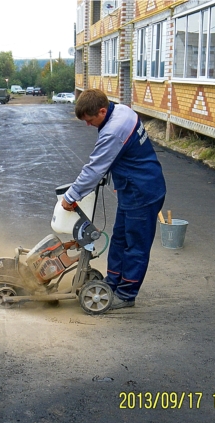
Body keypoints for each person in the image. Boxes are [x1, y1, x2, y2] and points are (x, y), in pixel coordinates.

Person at [61, 89, 166, 309]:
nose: (89, 125)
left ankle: (126, 294)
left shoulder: (113, 130)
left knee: (135, 245)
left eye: (90, 120)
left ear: (101, 110)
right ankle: (113, 281)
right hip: (132, 188)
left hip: (142, 191)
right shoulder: (121, 111)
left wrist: (71, 196)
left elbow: (95, 168)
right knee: (120, 238)